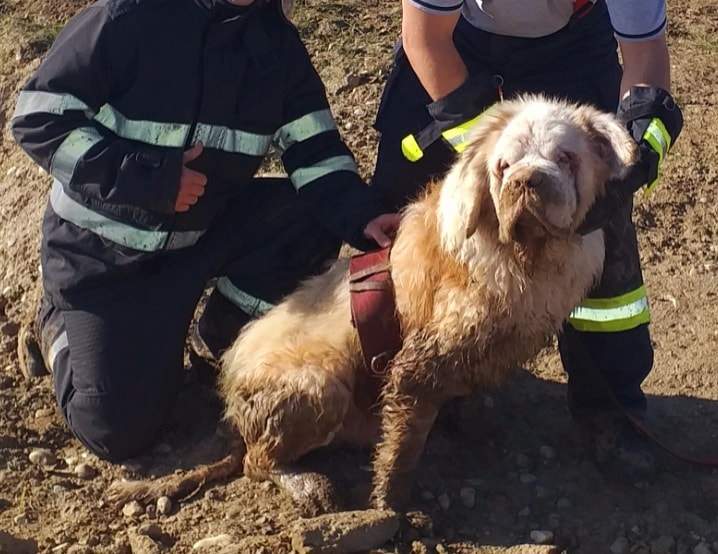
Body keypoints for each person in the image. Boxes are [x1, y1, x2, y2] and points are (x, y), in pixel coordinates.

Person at [11, 0, 399, 462]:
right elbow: (38, 117)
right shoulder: (127, 18)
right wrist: (149, 178)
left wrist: (364, 216)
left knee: (308, 217)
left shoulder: (275, 45)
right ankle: (56, 323)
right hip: (99, 257)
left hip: (194, 243)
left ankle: (218, 337)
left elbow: (316, 154)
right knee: (114, 429)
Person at [371, 0, 684, 479]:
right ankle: (411, 384)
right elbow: (426, 38)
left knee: (606, 233)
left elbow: (644, 60)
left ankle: (609, 410)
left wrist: (634, 155)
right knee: (409, 228)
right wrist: (484, 157)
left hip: (574, 51)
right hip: (456, 46)